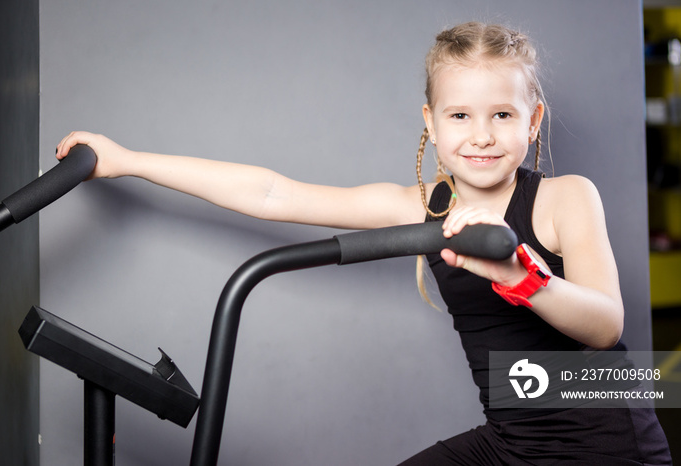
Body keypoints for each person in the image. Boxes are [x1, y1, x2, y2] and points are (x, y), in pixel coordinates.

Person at [56, 21, 671, 465]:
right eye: (460, 116)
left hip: (607, 443)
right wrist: (127, 160)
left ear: (532, 119)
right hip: (513, 440)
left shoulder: (566, 197)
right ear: (430, 121)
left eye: (503, 116)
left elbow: (604, 327)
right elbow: (274, 194)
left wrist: (521, 275)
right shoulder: (424, 206)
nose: (482, 136)